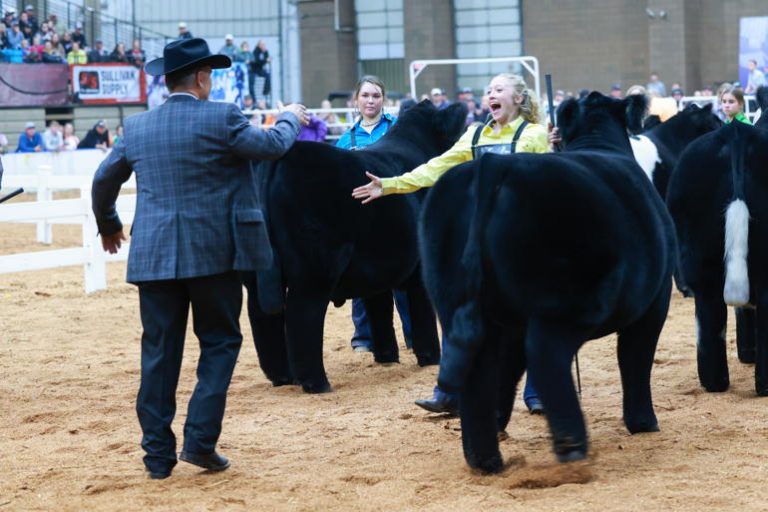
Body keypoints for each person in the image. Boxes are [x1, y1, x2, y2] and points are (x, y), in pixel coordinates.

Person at [91, 37, 309, 481]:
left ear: (166, 80)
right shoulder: (222, 116)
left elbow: (103, 181)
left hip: (153, 256)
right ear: (203, 78)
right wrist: (290, 117)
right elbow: (271, 146)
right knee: (221, 343)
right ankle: (200, 442)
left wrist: (109, 223)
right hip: (214, 255)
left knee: (158, 352)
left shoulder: (136, 128)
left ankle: (156, 457)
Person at [352, 73, 549, 415]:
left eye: (499, 89)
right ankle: (449, 392)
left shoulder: (533, 136)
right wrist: (390, 184)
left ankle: (537, 393)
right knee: (463, 317)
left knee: (531, 318)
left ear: (518, 99)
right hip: (481, 242)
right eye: (489, 90)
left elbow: (548, 181)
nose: (491, 94)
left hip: (524, 242)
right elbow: (434, 168)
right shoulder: (475, 135)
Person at [336, 75, 413, 353]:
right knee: (363, 276)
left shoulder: (399, 130)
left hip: (401, 215)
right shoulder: (346, 139)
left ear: (384, 100)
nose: (371, 101)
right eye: (366, 96)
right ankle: (364, 337)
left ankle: (414, 337)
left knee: (405, 277)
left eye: (376, 96)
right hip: (364, 220)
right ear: (356, 100)